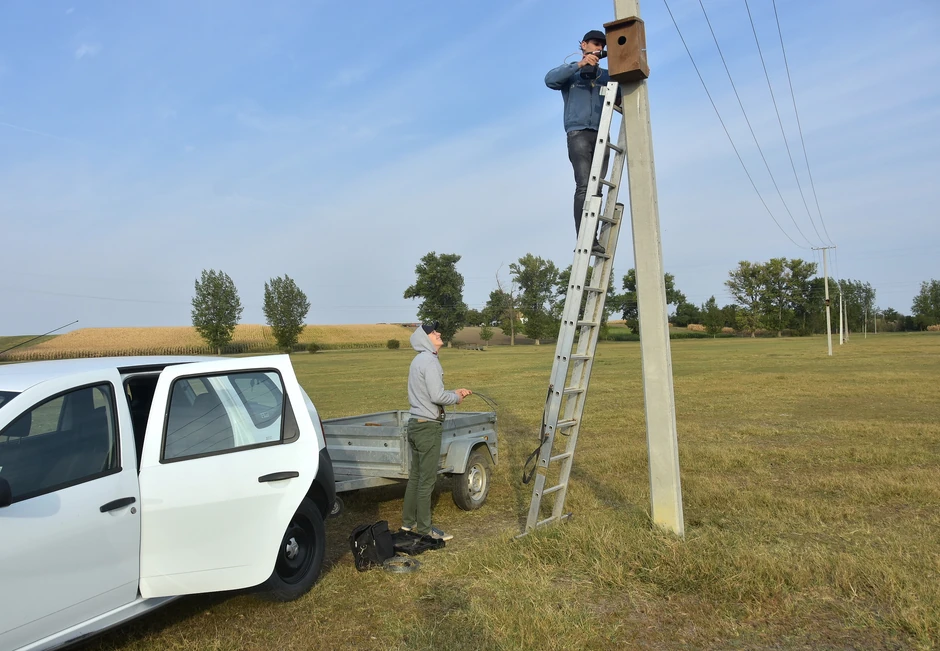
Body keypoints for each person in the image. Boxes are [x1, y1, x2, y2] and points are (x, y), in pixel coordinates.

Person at [545, 29, 618, 255]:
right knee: (584, 185)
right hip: (577, 133)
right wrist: (579, 64)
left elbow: (624, 91)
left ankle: (593, 236)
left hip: (601, 133)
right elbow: (550, 80)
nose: (598, 48)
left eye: (602, 46)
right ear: (584, 45)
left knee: (597, 187)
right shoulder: (572, 75)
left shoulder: (606, 75)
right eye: (595, 44)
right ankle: (585, 237)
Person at [400, 322, 471, 541]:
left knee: (416, 477)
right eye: (432, 332)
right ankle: (425, 530)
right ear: (424, 339)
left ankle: (407, 524)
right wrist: (456, 398)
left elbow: (433, 392)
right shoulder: (429, 361)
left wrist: (452, 391)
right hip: (428, 428)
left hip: (415, 424)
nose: (438, 333)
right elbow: (437, 397)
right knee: (427, 481)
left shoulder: (419, 360)